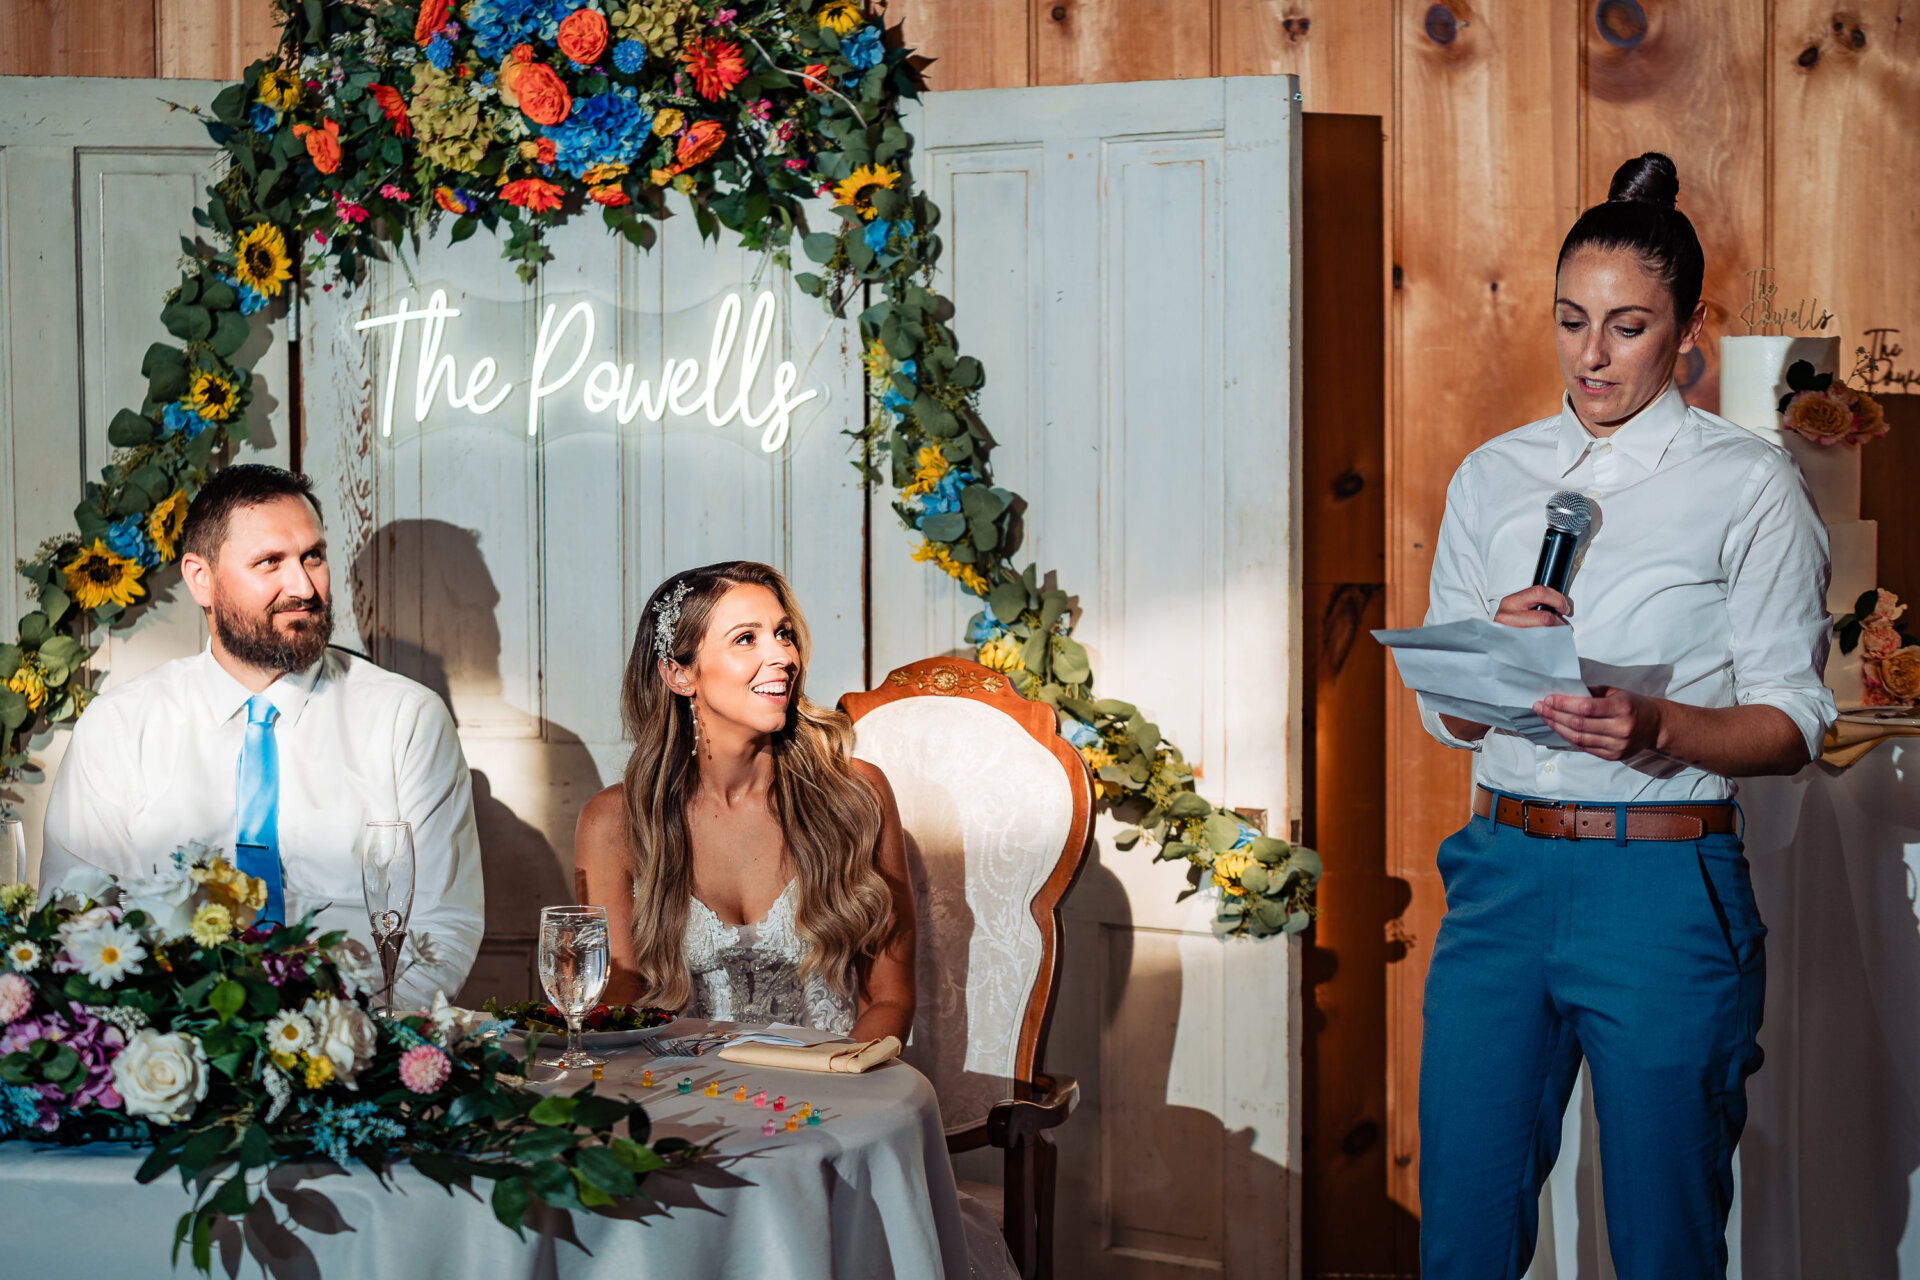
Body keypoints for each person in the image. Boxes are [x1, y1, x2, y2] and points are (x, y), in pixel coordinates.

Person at [1415, 153, 1835, 1279]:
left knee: (1662, 1240)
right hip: (1499, 874)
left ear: (1691, 327)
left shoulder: (1748, 483)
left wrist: (1659, 725)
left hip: (1660, 889)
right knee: (1459, 1232)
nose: (1592, 355)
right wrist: (1489, 661)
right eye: (1571, 321)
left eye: (1628, 325)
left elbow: (1794, 723)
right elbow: (1446, 716)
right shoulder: (1493, 477)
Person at [42, 465, 483, 1007]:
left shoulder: (407, 720)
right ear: (201, 579)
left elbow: (445, 923)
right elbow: (73, 919)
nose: (303, 587)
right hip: (173, 1043)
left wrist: (364, 1042)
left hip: (360, 1049)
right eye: (269, 562)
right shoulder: (119, 727)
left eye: (313, 557)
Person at [573, 561, 915, 1041]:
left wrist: (842, 1084)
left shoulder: (855, 794)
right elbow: (617, 999)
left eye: (783, 634)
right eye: (746, 639)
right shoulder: (614, 820)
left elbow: (890, 997)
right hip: (685, 1094)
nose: (782, 656)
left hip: (831, 1093)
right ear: (678, 673)